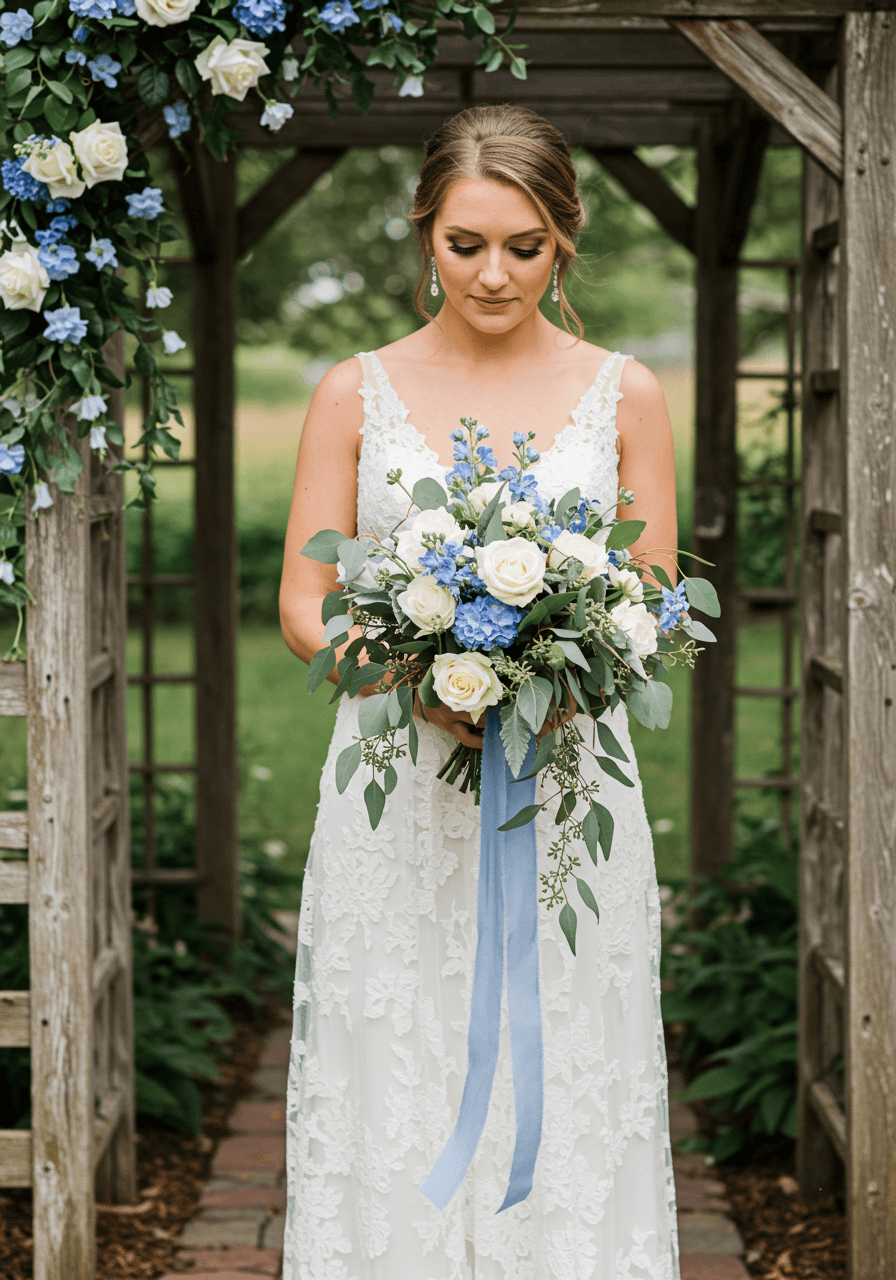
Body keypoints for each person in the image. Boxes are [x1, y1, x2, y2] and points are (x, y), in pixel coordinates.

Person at [279, 104, 680, 1280]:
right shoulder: (354, 392)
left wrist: (571, 674)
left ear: (564, 240)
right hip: (393, 788)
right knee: (390, 1044)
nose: (492, 272)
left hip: (566, 787)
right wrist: (414, 675)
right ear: (423, 236)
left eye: (522, 244)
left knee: (568, 1043)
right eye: (464, 243)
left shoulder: (627, 393)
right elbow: (307, 602)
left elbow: (651, 591)